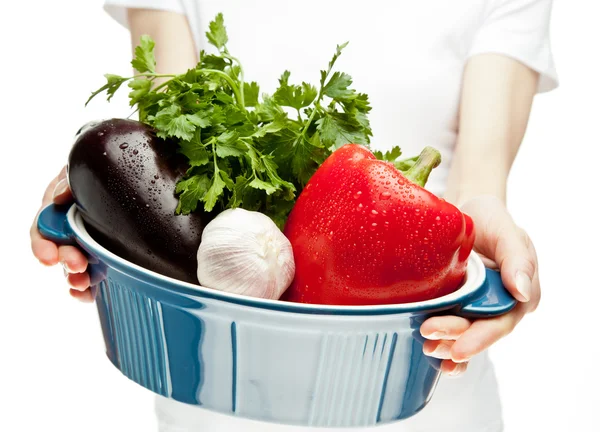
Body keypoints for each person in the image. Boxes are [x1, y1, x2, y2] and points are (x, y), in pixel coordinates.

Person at [30, 0, 557, 431]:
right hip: (211, 388)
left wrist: (484, 256)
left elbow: (476, 186)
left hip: (422, 371)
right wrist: (99, 190)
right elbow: (175, 128)